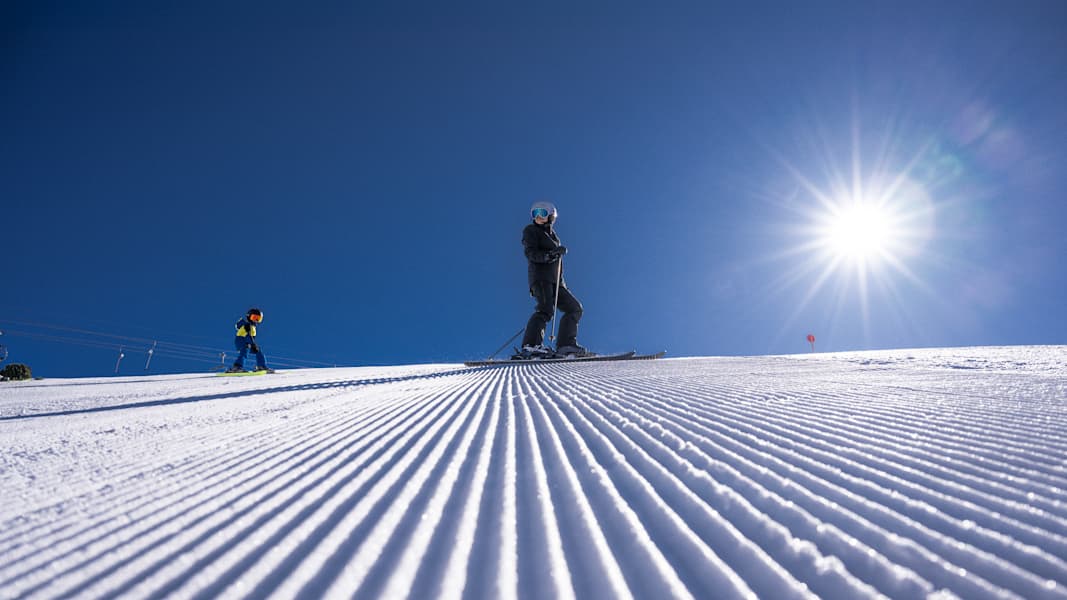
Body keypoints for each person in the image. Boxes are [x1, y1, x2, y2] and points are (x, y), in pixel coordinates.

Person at [516, 201, 589, 358]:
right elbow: (530, 253)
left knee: (575, 308)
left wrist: (560, 279)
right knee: (545, 309)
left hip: (557, 282)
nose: (538, 217)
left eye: (542, 213)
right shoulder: (531, 231)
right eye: (535, 214)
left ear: (551, 215)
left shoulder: (554, 237)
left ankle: (566, 345)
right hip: (540, 278)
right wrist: (549, 255)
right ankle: (531, 346)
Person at [227, 308, 273, 373]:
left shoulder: (253, 327)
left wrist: (253, 344)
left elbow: (251, 337)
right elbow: (242, 330)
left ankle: (261, 366)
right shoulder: (246, 324)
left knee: (258, 351)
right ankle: (237, 367)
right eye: (254, 317)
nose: (256, 320)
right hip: (241, 340)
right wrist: (245, 326)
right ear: (249, 317)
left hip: (249, 342)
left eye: (258, 319)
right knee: (244, 351)